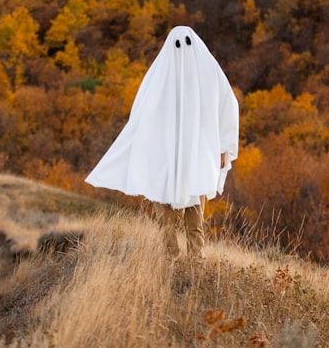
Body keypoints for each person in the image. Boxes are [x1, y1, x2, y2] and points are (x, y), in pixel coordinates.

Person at [85, 26, 239, 258]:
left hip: (196, 154)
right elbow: (141, 115)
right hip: (164, 155)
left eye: (187, 43)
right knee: (164, 211)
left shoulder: (209, 75)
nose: (182, 51)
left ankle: (196, 259)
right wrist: (143, 148)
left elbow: (227, 108)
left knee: (194, 208)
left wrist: (223, 149)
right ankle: (171, 257)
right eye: (177, 45)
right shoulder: (159, 77)